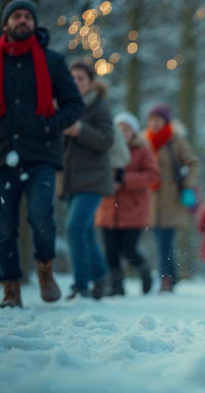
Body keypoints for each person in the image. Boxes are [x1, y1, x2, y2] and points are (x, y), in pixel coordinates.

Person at [0, 0, 83, 308]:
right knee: (5, 227)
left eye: (27, 16)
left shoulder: (52, 61)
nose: (22, 21)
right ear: (6, 23)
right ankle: (10, 288)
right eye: (16, 16)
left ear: (34, 23)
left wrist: (50, 125)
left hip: (40, 157)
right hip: (2, 157)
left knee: (41, 217)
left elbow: (74, 104)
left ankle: (45, 269)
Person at [62, 61, 114, 300]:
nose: (76, 82)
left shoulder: (99, 107)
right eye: (72, 78)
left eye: (80, 78)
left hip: (94, 179)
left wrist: (79, 130)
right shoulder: (64, 106)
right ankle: (101, 276)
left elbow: (106, 140)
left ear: (91, 82)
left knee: (74, 228)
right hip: (70, 179)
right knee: (85, 232)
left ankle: (81, 284)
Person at [95, 112, 159, 296]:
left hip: (133, 209)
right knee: (110, 251)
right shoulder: (105, 148)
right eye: (119, 127)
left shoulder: (142, 150)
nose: (123, 131)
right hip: (107, 208)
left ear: (134, 131)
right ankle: (116, 286)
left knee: (128, 249)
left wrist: (124, 179)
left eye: (127, 128)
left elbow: (152, 177)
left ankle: (145, 272)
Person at [145, 103, 199, 292]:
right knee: (161, 241)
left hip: (171, 201)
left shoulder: (176, 142)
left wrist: (187, 183)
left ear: (166, 121)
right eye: (151, 119)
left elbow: (193, 163)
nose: (153, 123)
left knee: (165, 241)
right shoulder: (145, 141)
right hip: (150, 201)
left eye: (157, 119)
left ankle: (166, 279)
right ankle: (171, 276)